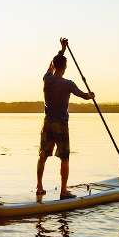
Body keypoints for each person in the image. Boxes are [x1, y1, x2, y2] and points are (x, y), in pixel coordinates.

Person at [37, 38, 94, 199]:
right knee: (65, 158)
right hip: (60, 124)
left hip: (47, 123)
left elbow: (50, 65)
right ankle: (63, 191)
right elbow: (84, 96)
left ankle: (39, 187)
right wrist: (92, 95)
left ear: (54, 66)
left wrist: (62, 50)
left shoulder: (46, 79)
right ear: (65, 67)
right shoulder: (67, 83)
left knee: (43, 156)